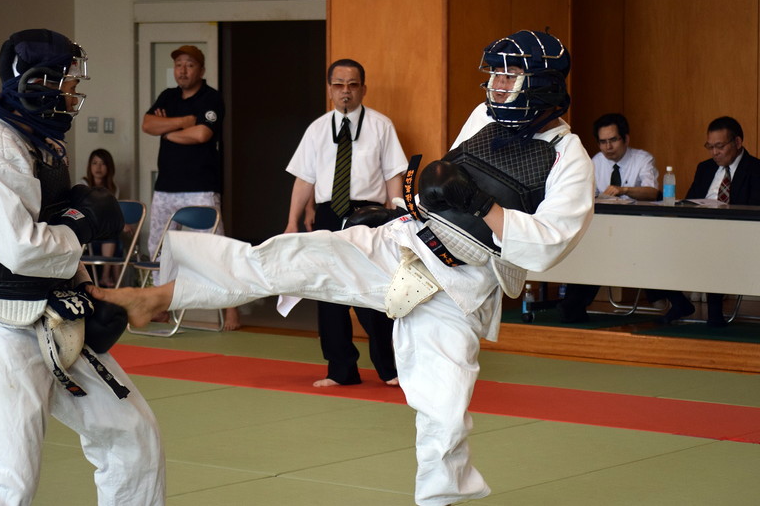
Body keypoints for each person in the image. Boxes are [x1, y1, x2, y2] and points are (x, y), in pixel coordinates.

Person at [92, 30, 593, 506]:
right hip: (404, 242)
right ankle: (160, 296)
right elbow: (447, 192)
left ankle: (440, 499)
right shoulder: (485, 117)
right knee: (285, 258)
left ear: (541, 84)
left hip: (458, 286)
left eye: (509, 76)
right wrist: (403, 210)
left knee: (443, 414)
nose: (495, 85)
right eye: (494, 75)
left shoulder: (570, 158)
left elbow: (548, 245)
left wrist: (483, 206)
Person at [0, 29, 164, 504]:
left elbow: (52, 228)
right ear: (42, 81)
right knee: (12, 484)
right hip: (1, 328)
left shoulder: (42, 138)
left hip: (55, 318)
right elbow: (18, 248)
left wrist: (89, 291)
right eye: (69, 82)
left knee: (133, 436)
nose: (75, 93)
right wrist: (82, 227)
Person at [284, 59, 407, 387]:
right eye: (338, 85)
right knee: (328, 292)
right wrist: (291, 222)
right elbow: (304, 179)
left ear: (363, 89)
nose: (345, 92)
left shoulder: (381, 126)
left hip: (368, 215)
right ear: (329, 90)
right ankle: (340, 370)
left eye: (352, 85)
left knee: (374, 291)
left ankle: (390, 368)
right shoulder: (317, 129)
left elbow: (394, 174)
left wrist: (398, 217)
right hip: (327, 214)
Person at [557, 113, 694, 323]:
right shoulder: (594, 162)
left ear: (626, 139)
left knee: (638, 249)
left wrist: (624, 190)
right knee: (589, 246)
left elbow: (653, 192)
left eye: (613, 140)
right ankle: (575, 303)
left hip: (640, 229)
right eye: (603, 142)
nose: (608, 147)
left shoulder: (642, 159)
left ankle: (670, 297)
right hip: (605, 231)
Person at [141, 44, 239, 330]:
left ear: (201, 70)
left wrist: (168, 128)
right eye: (179, 65)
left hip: (200, 187)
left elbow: (201, 134)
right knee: (159, 248)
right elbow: (148, 124)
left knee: (213, 249)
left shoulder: (211, 99)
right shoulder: (168, 96)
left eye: (189, 65)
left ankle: (231, 308)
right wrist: (183, 121)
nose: (183, 70)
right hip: (166, 187)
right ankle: (162, 306)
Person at [684, 116, 760, 326]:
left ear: (737, 143)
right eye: (710, 146)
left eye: (720, 146)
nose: (714, 153)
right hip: (701, 231)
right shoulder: (705, 168)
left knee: (713, 247)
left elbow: (754, 209)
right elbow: (690, 201)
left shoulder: (755, 169)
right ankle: (678, 302)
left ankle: (714, 315)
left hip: (739, 235)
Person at [82, 148, 120, 287]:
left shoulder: (114, 189)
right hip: (90, 230)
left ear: (109, 167)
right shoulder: (84, 185)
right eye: (94, 163)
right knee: (113, 236)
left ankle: (115, 284)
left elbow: (114, 214)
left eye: (102, 163)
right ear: (89, 166)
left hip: (105, 230)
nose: (98, 167)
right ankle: (108, 278)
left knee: (117, 237)